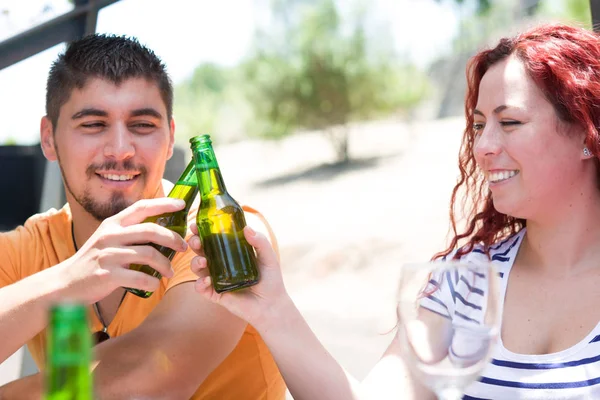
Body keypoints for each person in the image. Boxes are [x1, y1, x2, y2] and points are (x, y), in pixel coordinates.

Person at [189, 22, 600, 399]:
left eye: (509, 122)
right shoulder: (468, 279)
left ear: (585, 132)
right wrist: (271, 310)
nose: (483, 146)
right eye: (478, 126)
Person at [0, 34, 285, 399]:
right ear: (49, 138)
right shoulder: (30, 248)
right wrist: (68, 281)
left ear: (170, 139)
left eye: (142, 125)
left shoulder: (219, 233)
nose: (120, 150)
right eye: (93, 124)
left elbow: (150, 379)